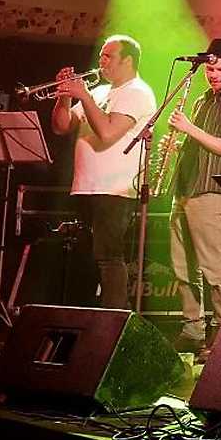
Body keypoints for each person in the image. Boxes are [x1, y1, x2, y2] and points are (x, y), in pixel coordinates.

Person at [51, 34, 157, 309]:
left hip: (115, 189)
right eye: (101, 56)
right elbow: (61, 126)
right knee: (86, 257)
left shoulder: (138, 92)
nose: (102, 61)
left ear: (128, 61)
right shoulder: (99, 92)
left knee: (109, 256)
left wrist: (84, 96)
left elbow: (107, 132)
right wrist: (64, 98)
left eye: (109, 56)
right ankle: (86, 316)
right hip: (85, 186)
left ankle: (113, 320)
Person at [167, 38, 221, 354]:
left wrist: (189, 129)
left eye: (220, 69)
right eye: (210, 69)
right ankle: (192, 329)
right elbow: (202, 144)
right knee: (183, 267)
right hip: (186, 187)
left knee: (213, 267)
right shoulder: (203, 100)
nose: (213, 74)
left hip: (210, 190)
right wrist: (178, 146)